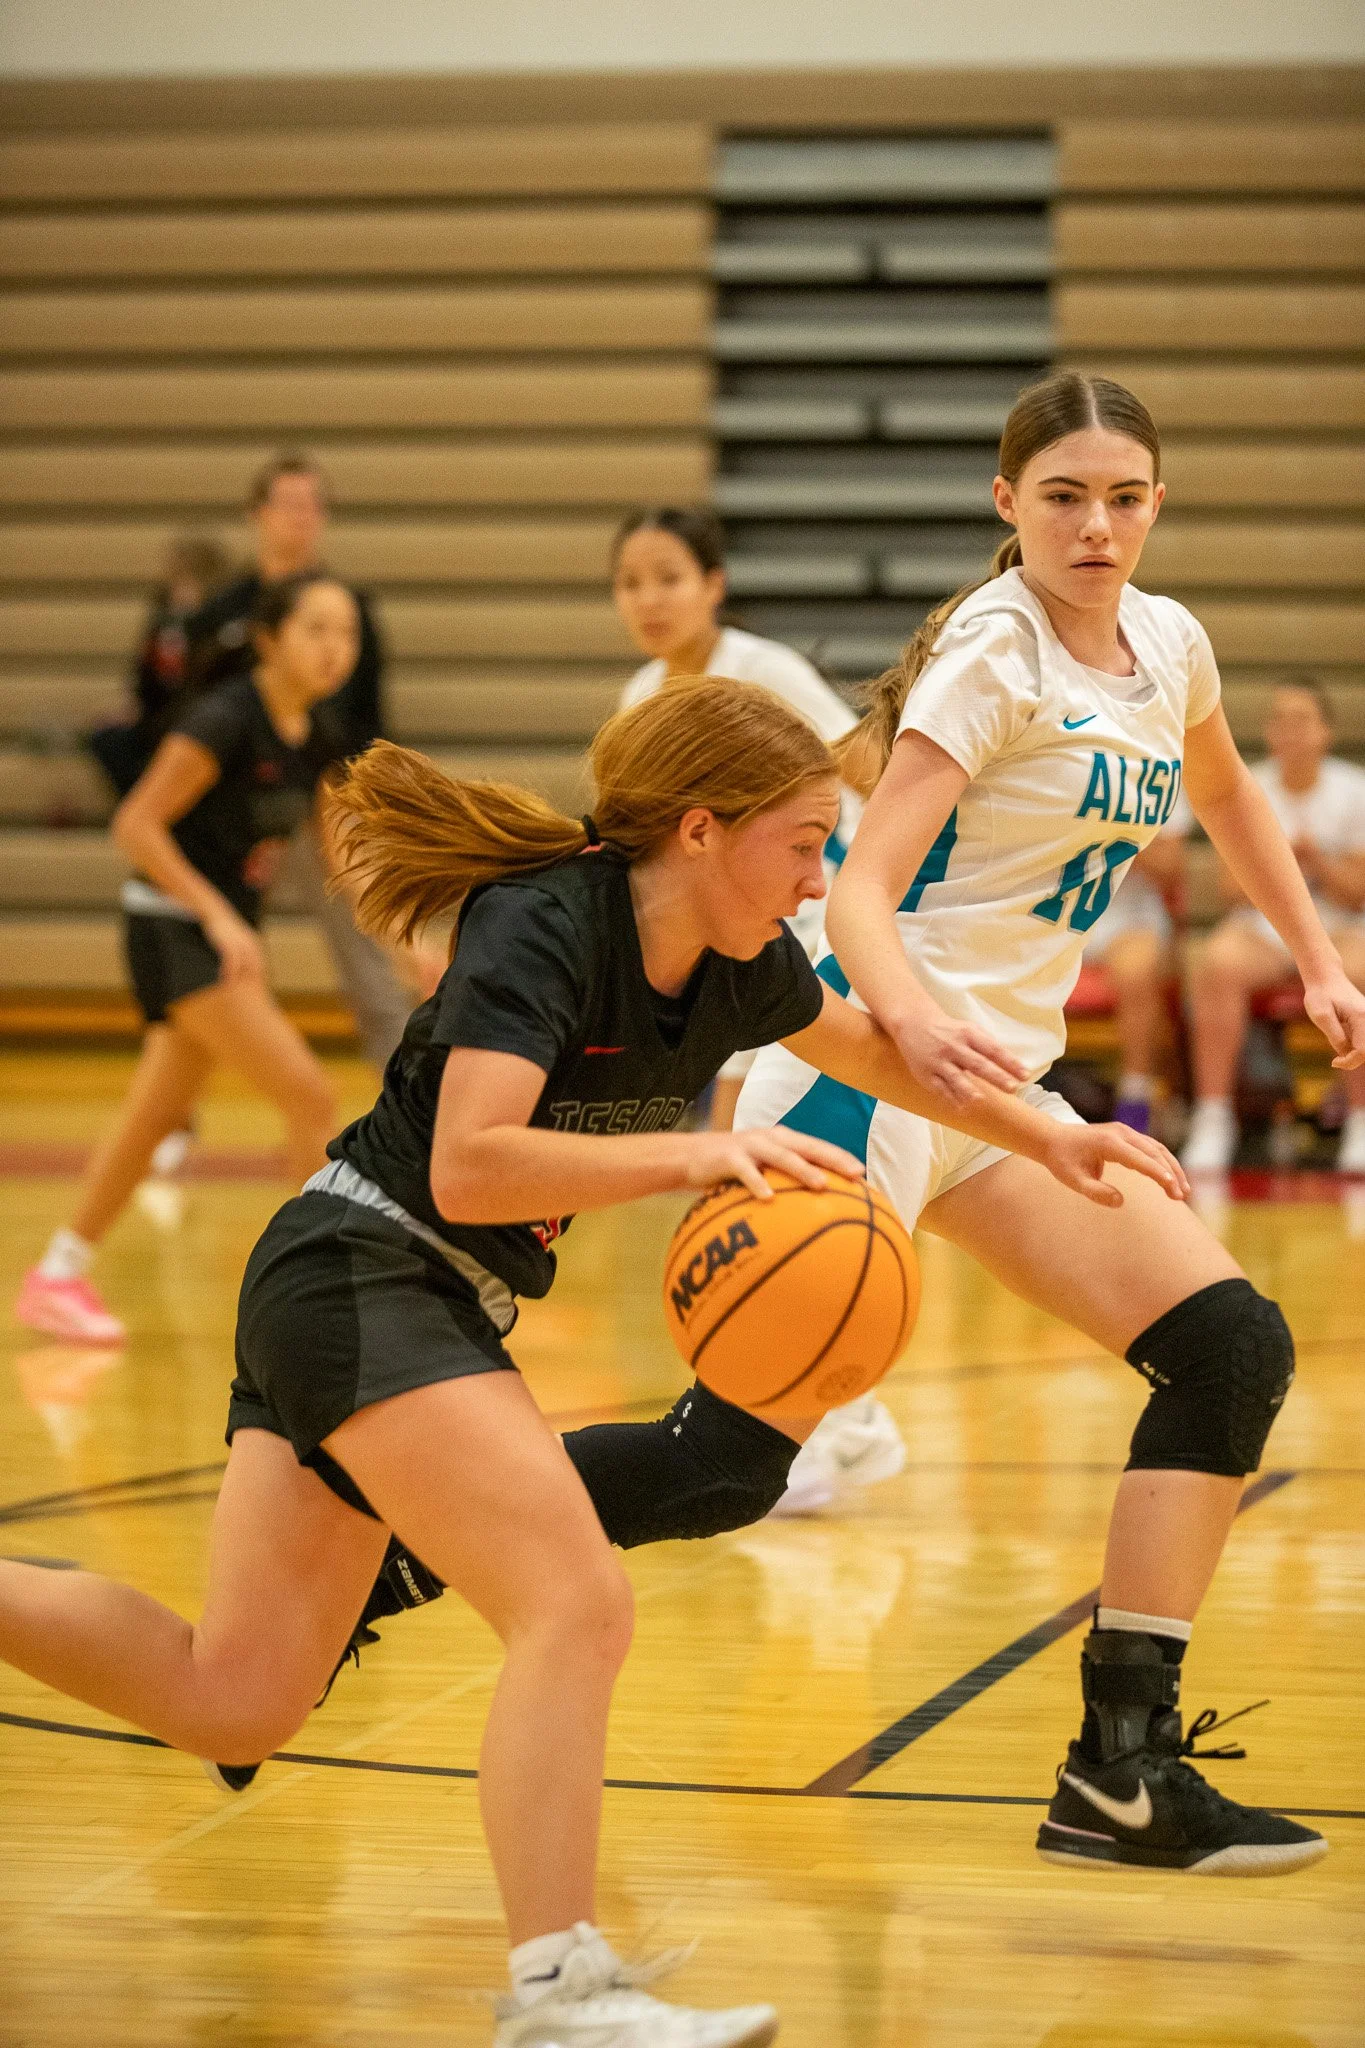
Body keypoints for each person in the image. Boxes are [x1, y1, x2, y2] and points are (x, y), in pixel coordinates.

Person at [0, 683, 1187, 2048]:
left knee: (238, 1696)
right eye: (803, 843)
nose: (822, 876)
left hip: (385, 1289)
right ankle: (559, 1990)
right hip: (365, 1269)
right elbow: (470, 1161)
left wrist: (1055, 1137)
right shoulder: (545, 925)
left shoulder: (743, 962)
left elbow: (878, 1055)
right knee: (575, 1601)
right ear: (701, 831)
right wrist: (693, 1153)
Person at [731, 371, 1351, 1875]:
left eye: (1124, 496)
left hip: (1001, 1090)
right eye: (1063, 495)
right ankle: (411, 1530)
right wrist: (914, 1032)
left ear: (1155, 503)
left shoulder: (1169, 642)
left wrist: (1321, 957)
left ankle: (1119, 1773)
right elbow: (861, 889)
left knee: (1227, 1347)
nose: (1096, 524)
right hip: (865, 1065)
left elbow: (1224, 795)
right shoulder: (988, 653)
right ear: (1006, 505)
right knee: (735, 1462)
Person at [613, 506, 896, 1514]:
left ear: (715, 584)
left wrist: (870, 888)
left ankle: (820, 1418)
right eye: (632, 580)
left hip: (817, 921)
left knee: (765, 1160)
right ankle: (836, 1409)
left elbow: (863, 764)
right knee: (751, 1162)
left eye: (668, 577)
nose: (649, 598)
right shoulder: (643, 694)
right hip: (738, 939)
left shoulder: (763, 669)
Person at [16, 573, 355, 1346]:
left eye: (346, 634)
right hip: (171, 928)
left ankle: (58, 1274)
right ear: (269, 639)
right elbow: (136, 827)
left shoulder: (316, 734)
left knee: (156, 1112)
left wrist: (415, 949)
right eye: (317, 630)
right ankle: (313, 1294)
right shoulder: (224, 721)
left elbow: (343, 865)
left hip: (217, 934)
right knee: (306, 1095)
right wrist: (218, 918)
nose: (335, 649)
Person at [185, 452, 413, 1071]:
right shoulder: (221, 618)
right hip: (229, 820)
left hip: (319, 804)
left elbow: (369, 726)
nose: (301, 519)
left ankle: (404, 1093)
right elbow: (178, 722)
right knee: (215, 969)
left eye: (313, 505)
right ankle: (176, 1111)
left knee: (369, 952)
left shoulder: (351, 605)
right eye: (288, 504)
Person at [1182, 679, 1365, 1173]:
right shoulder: (1245, 784)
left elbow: (1358, 892)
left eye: (1301, 719)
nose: (1289, 730)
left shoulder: (1354, 790)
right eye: (1279, 719)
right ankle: (1214, 1115)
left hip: (1338, 925)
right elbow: (1227, 889)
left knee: (1359, 972)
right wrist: (1276, 864)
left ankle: (1360, 1117)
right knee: (1215, 963)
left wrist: (1318, 861)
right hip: (1261, 927)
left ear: (1325, 732)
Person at [1077, 791, 1191, 1133]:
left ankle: (1135, 1097)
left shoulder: (1156, 772)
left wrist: (1117, 842)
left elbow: (1171, 869)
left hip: (1127, 919)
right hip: (1054, 909)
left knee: (1138, 971)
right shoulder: (1051, 762)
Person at [88, 533, 231, 800]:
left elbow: (218, 683)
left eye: (188, 579)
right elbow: (144, 677)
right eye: (176, 579)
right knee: (108, 739)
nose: (179, 587)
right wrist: (133, 708)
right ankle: (147, 807)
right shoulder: (162, 621)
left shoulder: (221, 627)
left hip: (200, 719)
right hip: (158, 720)